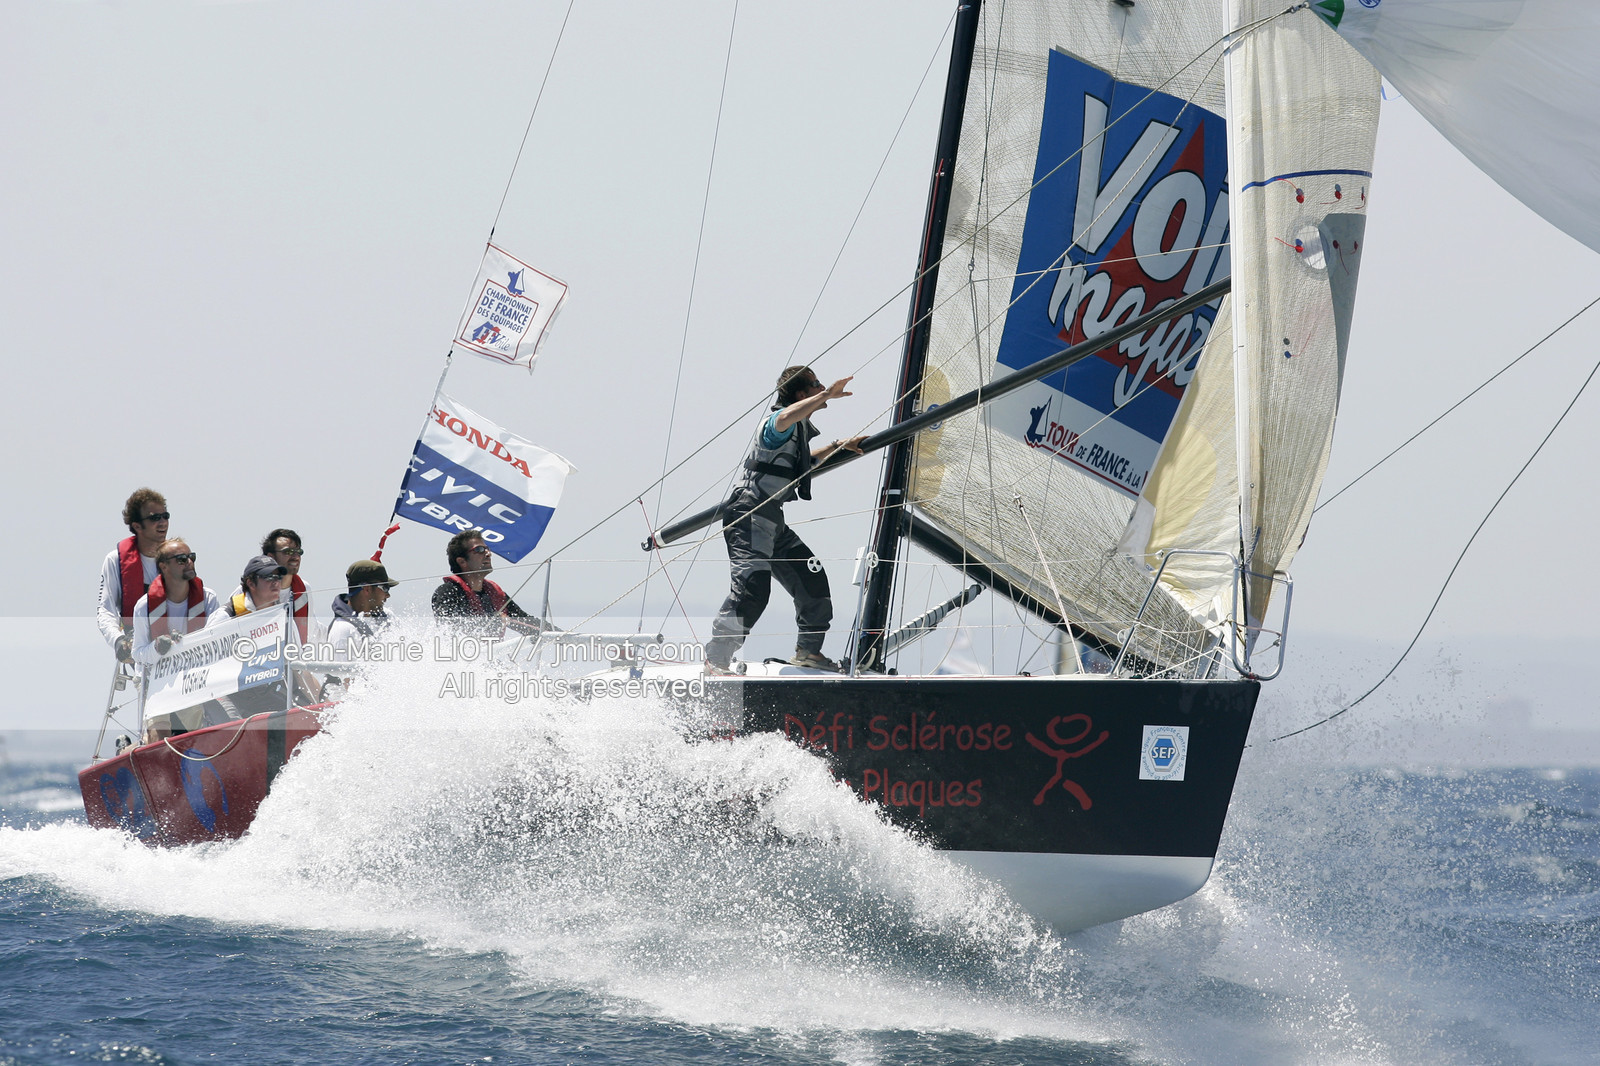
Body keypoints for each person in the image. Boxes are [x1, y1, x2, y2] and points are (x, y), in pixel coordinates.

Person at [704, 367, 866, 673]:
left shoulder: (798, 428)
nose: (822, 387)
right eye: (816, 385)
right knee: (752, 590)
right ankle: (716, 658)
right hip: (748, 514)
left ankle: (808, 652)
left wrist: (838, 447)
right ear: (803, 395)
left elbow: (804, 463)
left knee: (812, 581)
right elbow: (782, 418)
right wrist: (828, 393)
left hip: (773, 521)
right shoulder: (778, 423)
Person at [131, 539, 224, 739]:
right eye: (182, 559)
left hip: (191, 676)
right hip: (154, 678)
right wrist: (157, 647)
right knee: (158, 738)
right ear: (163, 566)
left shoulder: (208, 599)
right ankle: (132, 748)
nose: (189, 562)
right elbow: (138, 654)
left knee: (196, 738)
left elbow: (217, 642)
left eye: (192, 557)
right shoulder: (144, 606)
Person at [213, 555, 323, 709]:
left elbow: (299, 671)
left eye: (278, 577)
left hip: (271, 696)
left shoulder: (285, 620)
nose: (276, 582)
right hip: (231, 695)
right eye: (269, 577)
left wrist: (320, 706)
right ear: (250, 582)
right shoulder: (226, 616)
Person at [96, 488, 170, 663]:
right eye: (154, 518)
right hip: (141, 647)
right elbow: (106, 610)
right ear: (137, 526)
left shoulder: (178, 557)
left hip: (178, 642)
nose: (163, 523)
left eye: (165, 516)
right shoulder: (115, 560)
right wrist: (118, 640)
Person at [431, 531, 541, 637]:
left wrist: (555, 633)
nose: (488, 554)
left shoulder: (496, 594)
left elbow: (526, 622)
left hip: (489, 654)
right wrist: (494, 621)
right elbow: (449, 628)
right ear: (462, 561)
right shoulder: (448, 592)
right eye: (479, 550)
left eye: (487, 549)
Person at [326, 559, 397, 659]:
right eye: (385, 588)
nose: (388, 595)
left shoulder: (386, 618)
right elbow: (340, 675)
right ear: (367, 589)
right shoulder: (343, 630)